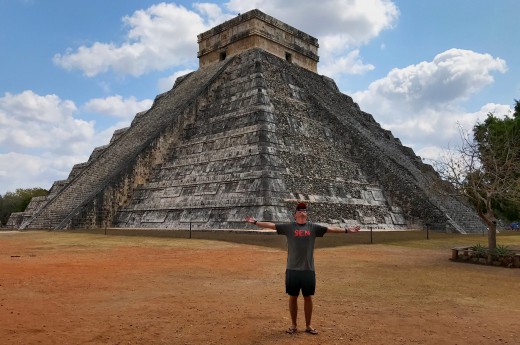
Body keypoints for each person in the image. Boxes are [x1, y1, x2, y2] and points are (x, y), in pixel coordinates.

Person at [245, 202, 361, 335]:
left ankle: (308, 325)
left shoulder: (313, 227)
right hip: (292, 269)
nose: (302, 212)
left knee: (308, 297)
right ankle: (293, 325)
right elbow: (271, 225)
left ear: (306, 214)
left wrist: (347, 230)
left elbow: (330, 229)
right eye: (299, 210)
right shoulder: (289, 227)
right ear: (295, 215)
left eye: (304, 210)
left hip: (308, 269)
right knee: (293, 297)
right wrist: (255, 222)